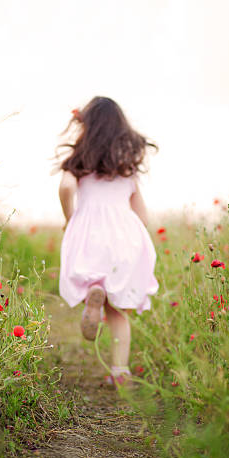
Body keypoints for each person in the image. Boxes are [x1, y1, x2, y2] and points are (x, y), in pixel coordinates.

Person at [57, 96, 158, 385]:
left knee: (94, 277)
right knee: (118, 311)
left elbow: (65, 187)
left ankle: (94, 291)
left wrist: (69, 216)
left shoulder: (78, 163)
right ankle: (120, 372)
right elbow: (143, 216)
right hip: (124, 234)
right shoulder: (127, 169)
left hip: (89, 229)